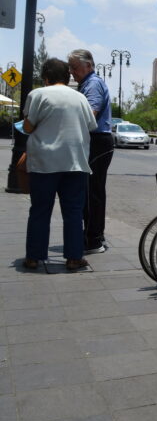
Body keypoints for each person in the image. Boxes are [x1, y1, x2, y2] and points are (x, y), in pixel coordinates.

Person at [22, 58, 97, 271]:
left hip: (44, 162)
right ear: (67, 77)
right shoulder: (81, 98)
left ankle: (34, 257)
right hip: (75, 162)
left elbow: (28, 126)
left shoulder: (37, 95)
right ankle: (74, 258)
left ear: (46, 77)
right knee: (73, 212)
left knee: (40, 210)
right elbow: (91, 124)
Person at [68, 49, 113, 254]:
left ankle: (93, 239)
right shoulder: (88, 83)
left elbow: (90, 116)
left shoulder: (93, 84)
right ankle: (94, 234)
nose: (72, 72)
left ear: (89, 65)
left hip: (97, 141)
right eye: (70, 68)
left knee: (92, 191)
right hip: (96, 141)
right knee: (92, 190)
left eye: (75, 67)